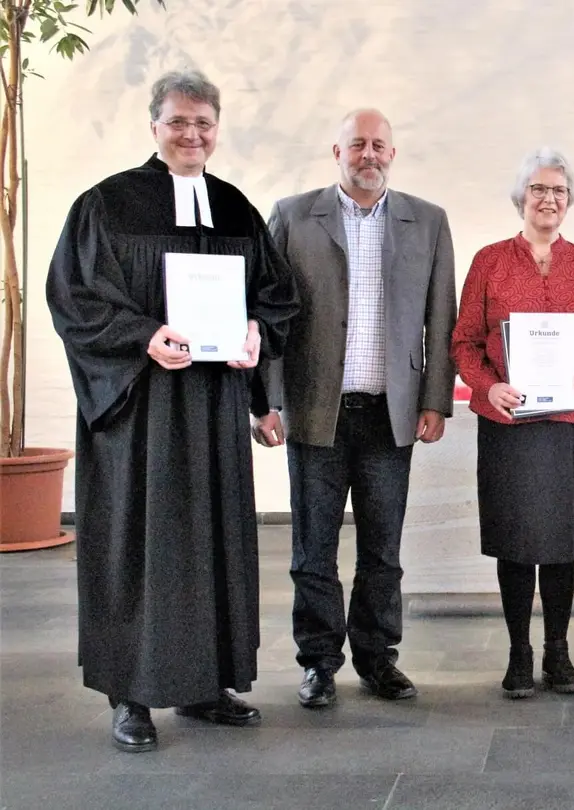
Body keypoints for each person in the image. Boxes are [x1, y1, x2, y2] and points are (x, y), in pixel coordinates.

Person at [45, 70, 298, 752]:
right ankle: (130, 694)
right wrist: (143, 337)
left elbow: (277, 297)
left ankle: (203, 684)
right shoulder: (106, 204)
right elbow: (76, 299)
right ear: (153, 125)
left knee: (210, 540)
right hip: (141, 413)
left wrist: (255, 335)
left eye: (204, 123)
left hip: (213, 408)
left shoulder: (237, 209)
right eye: (179, 122)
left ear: (218, 129)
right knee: (138, 542)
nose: (192, 134)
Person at [250, 109, 457, 708]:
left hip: (390, 413)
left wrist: (436, 399)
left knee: (382, 549)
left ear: (393, 153)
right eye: (357, 145)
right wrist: (266, 401)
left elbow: (439, 318)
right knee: (312, 548)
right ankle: (318, 661)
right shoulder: (293, 215)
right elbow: (267, 312)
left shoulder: (429, 221)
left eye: (379, 145)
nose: (369, 154)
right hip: (317, 410)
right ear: (335, 152)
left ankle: (377, 658)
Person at [451, 147, 574, 698]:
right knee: (515, 541)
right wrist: (488, 385)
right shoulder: (490, 261)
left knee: (562, 542)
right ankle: (518, 653)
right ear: (521, 197)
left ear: (569, 201)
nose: (548, 199)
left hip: (572, 425)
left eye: (559, 191)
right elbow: (464, 342)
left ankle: (558, 652)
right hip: (509, 424)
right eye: (539, 190)